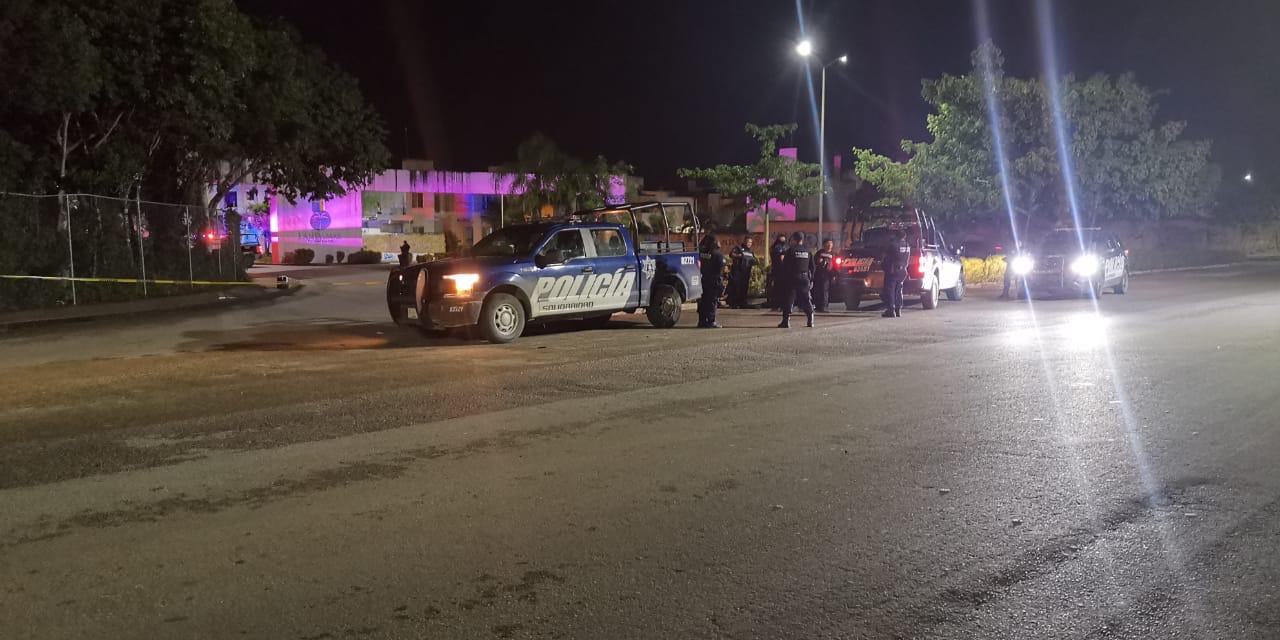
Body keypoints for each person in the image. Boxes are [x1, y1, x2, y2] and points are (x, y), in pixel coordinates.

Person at [778, 231, 815, 328]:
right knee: (806, 298)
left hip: (793, 277)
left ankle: (786, 321)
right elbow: (813, 267)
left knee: (789, 298)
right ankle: (810, 320)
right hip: (805, 278)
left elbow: (785, 266)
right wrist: (811, 279)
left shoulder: (790, 251)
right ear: (802, 239)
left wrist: (784, 278)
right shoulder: (808, 251)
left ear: (794, 239)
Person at [697, 233, 726, 328]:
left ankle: (702, 321)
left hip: (703, 279)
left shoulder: (701, 253)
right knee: (712, 301)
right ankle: (711, 321)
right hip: (714, 280)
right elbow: (720, 268)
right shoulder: (717, 254)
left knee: (703, 300)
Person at [881, 229, 910, 318]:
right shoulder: (907, 245)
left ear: (896, 236)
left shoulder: (893, 245)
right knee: (898, 290)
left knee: (890, 290)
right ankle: (898, 310)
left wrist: (883, 266)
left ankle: (891, 310)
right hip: (903, 271)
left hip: (893, 270)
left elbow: (885, 256)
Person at [726, 236, 757, 308]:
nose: (749, 244)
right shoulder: (738, 248)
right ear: (744, 242)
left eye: (750, 242)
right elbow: (731, 254)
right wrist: (738, 256)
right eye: (748, 242)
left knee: (744, 287)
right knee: (736, 287)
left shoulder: (750, 252)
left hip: (746, 273)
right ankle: (734, 303)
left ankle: (743, 302)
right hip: (737, 271)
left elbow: (754, 260)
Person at [812, 238, 836, 312]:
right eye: (828, 243)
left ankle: (824, 306)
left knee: (825, 291)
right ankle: (818, 306)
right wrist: (818, 261)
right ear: (824, 245)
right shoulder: (819, 253)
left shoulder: (833, 254)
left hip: (828, 275)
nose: (829, 245)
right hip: (819, 275)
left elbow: (835, 266)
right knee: (818, 290)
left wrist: (834, 276)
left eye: (831, 243)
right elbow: (814, 262)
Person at [767, 233, 787, 311]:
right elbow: (782, 259)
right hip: (780, 270)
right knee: (780, 287)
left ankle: (776, 305)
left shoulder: (774, 247)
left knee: (776, 287)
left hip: (776, 270)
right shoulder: (779, 247)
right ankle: (779, 304)